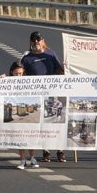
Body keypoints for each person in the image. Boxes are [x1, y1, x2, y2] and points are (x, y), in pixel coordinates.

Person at [21, 31, 66, 163]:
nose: (36, 42)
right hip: (36, 95)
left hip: (53, 93)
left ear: (42, 40)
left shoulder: (50, 54)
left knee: (56, 122)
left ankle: (60, 150)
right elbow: (21, 75)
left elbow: (58, 70)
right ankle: (46, 151)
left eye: (38, 39)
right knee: (42, 124)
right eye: (34, 40)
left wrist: (64, 68)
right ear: (31, 42)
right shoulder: (26, 58)